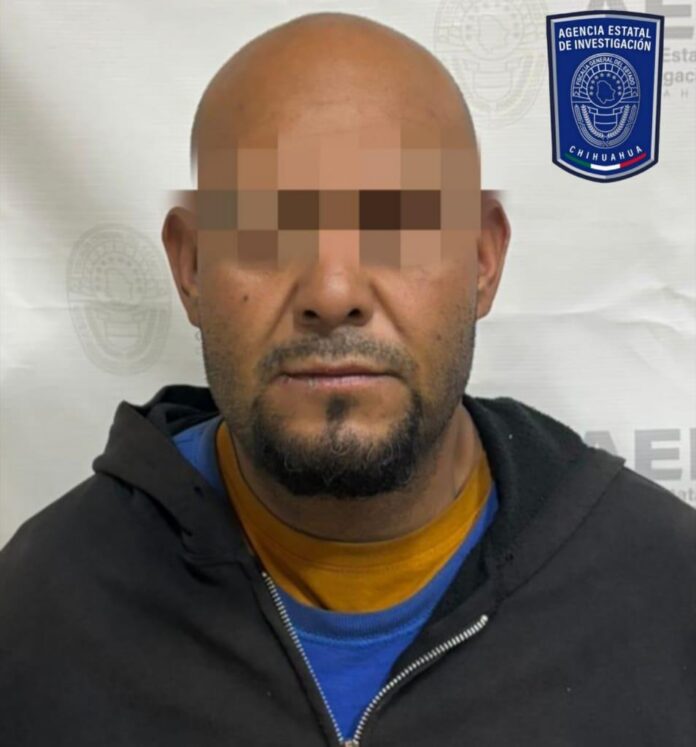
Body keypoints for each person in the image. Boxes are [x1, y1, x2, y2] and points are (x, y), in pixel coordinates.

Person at [1, 12, 694, 747]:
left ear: (482, 260)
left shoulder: (667, 596)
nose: (333, 293)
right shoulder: (39, 615)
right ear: (192, 267)